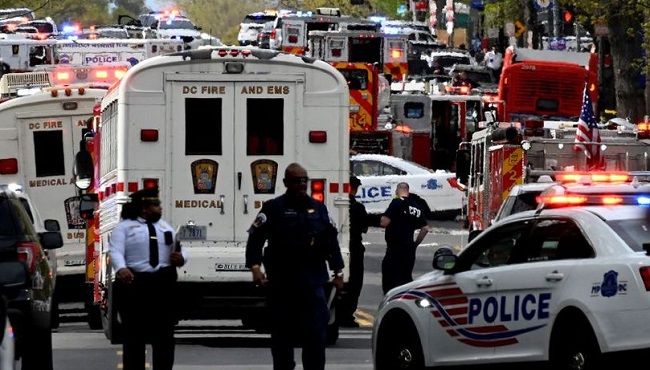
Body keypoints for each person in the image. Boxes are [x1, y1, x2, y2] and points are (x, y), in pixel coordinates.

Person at [245, 163, 345, 370]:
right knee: (282, 337)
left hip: (312, 283)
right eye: (296, 180)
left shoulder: (318, 209)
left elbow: (330, 240)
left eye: (304, 180)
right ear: (285, 183)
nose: (301, 184)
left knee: (316, 337)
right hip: (283, 284)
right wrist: (255, 267)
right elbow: (255, 237)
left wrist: (338, 272)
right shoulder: (273, 208)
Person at [108, 186, 187, 370]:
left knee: (164, 336)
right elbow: (116, 251)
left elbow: (179, 250)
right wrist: (121, 268)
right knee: (134, 336)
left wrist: (182, 257)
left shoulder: (165, 227)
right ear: (144, 208)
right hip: (135, 285)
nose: (160, 208)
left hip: (161, 285)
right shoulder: (124, 228)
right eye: (156, 205)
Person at [379, 182, 430, 294]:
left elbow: (384, 222)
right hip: (409, 249)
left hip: (395, 248)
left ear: (398, 191)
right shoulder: (416, 207)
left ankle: (390, 302)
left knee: (389, 279)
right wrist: (415, 244)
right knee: (405, 279)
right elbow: (425, 228)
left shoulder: (397, 202)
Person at [337, 176, 368, 328]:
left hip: (338, 247)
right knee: (354, 282)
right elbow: (364, 228)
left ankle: (337, 312)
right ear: (354, 189)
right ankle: (347, 315)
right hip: (354, 247)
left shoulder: (336, 204)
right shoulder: (358, 207)